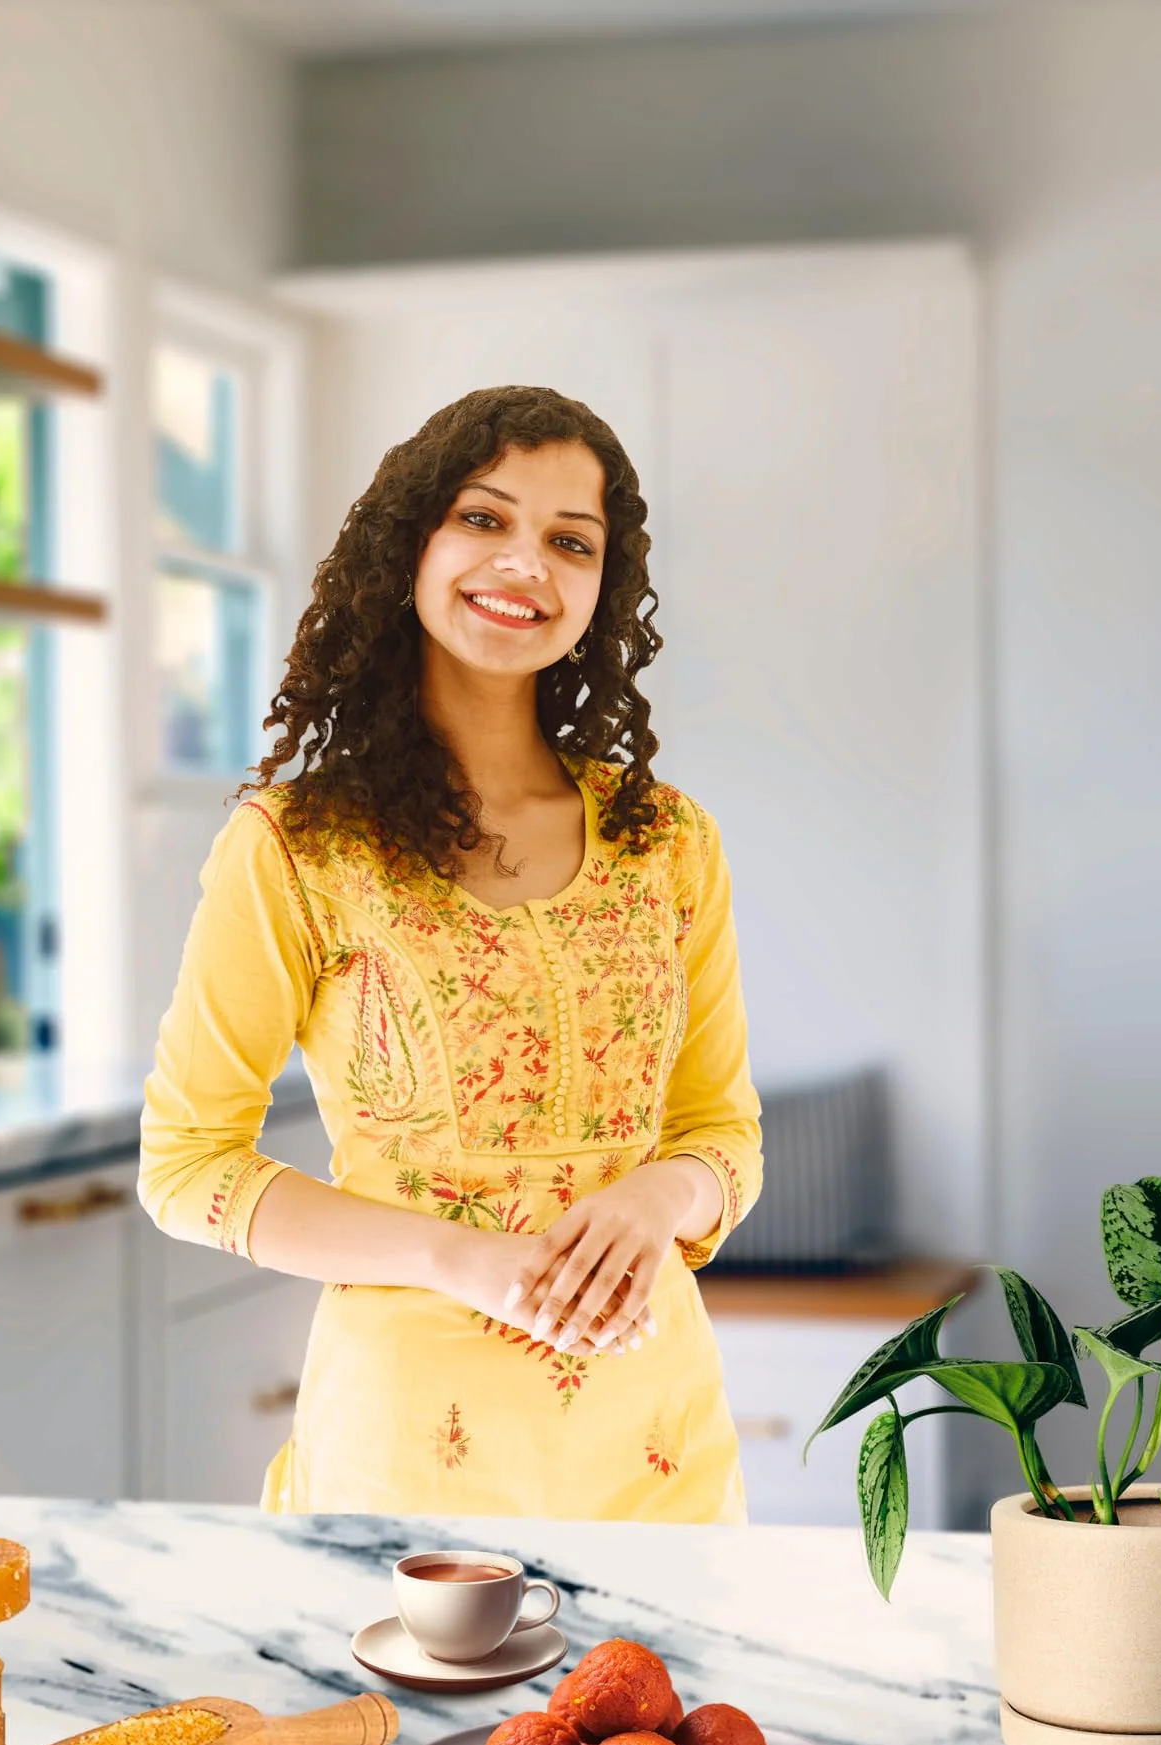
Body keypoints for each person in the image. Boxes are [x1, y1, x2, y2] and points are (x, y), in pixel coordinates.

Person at [137, 384, 763, 1521]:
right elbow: (187, 1169)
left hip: (659, 1449)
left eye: (570, 542)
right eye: (484, 518)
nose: (525, 561)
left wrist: (656, 1198)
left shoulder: (668, 841)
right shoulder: (299, 848)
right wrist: (461, 1261)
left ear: (599, 595)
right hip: (411, 1455)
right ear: (409, 545)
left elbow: (721, 1131)